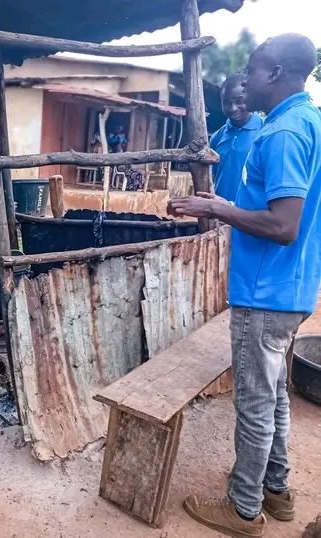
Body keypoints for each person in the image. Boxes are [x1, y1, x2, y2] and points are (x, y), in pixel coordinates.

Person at [170, 34, 321, 538]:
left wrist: (215, 209)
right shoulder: (309, 121)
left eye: (253, 69)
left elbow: (283, 225)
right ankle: (276, 489)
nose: (245, 79)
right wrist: (224, 205)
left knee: (255, 401)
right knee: (274, 395)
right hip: (292, 287)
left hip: (265, 291)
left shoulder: (283, 133)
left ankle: (242, 508)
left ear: (274, 73)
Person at [210, 74, 264, 201]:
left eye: (239, 101)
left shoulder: (266, 132)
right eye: (226, 103)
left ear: (250, 98)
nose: (233, 108)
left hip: (251, 211)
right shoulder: (217, 138)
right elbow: (212, 176)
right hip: (219, 210)